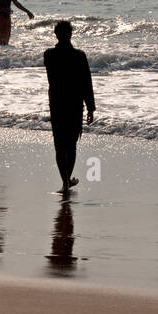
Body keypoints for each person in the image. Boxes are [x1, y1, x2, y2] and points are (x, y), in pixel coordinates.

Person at [42, 21, 96, 195]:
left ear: (56, 35)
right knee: (71, 145)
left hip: (57, 103)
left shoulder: (49, 55)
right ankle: (67, 180)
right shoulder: (79, 56)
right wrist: (90, 108)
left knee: (59, 145)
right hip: (74, 103)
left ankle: (65, 181)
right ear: (71, 34)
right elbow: (86, 82)